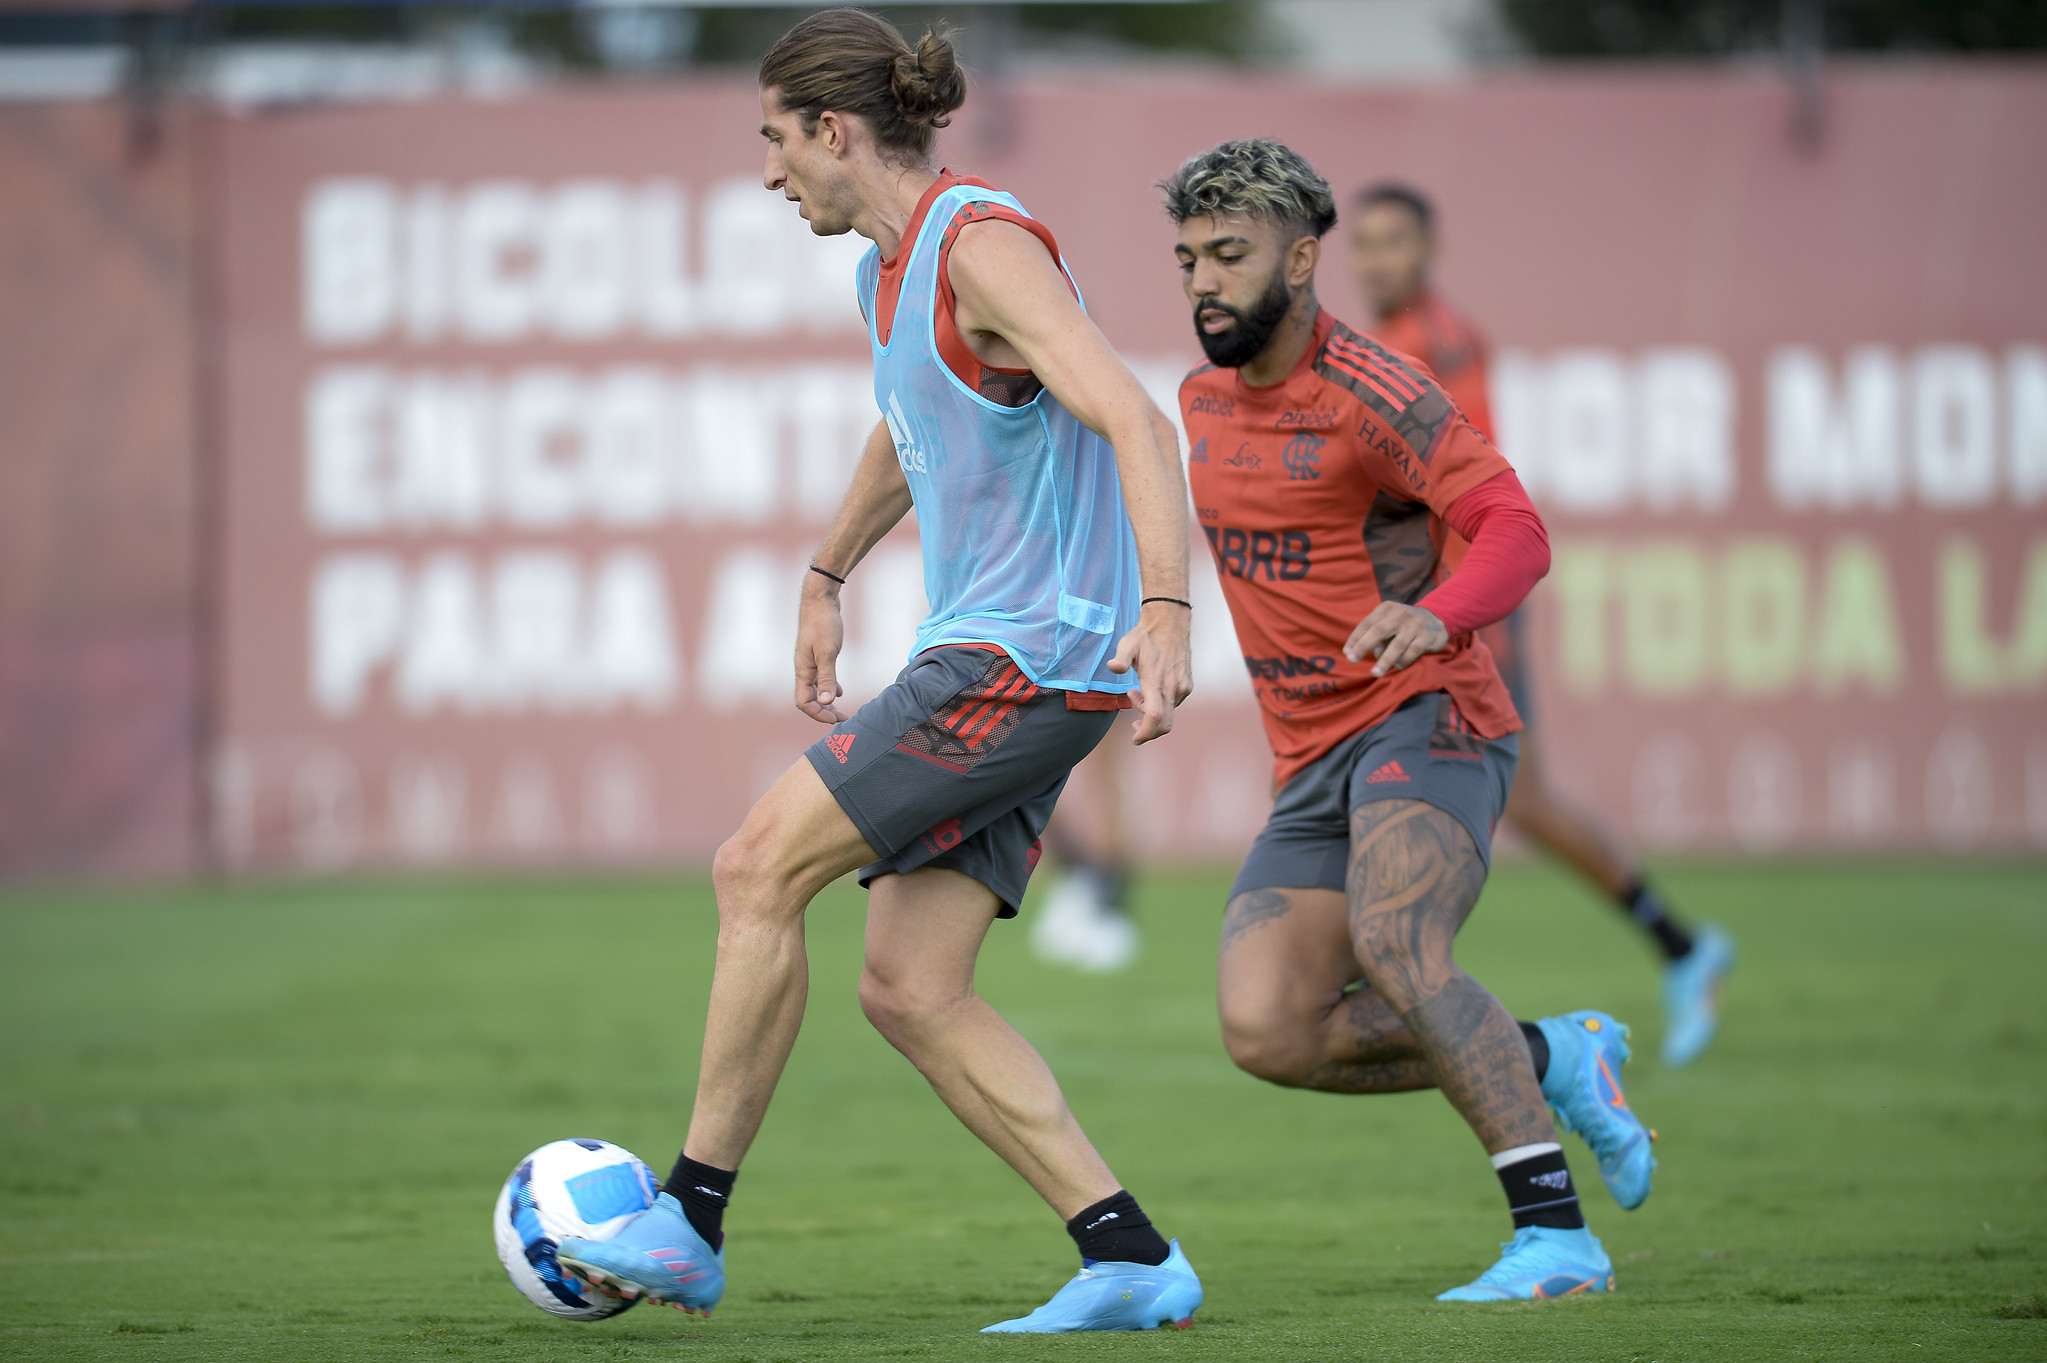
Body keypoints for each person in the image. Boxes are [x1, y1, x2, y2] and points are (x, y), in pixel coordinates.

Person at [556, 10, 1203, 1333]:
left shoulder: (981, 243)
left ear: (834, 130)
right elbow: (911, 427)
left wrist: (1166, 606)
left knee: (754, 864)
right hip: (1018, 662)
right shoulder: (887, 273)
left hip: (1022, 657)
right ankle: (1127, 1251)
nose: (768, 169)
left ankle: (687, 1214)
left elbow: (1132, 413)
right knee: (910, 986)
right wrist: (824, 571)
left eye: (774, 139)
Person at [1165, 139, 1657, 1302]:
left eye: (1228, 255)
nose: (1201, 282)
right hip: (1311, 759)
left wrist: (1437, 616)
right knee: (1271, 1032)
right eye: (1186, 258)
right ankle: (1553, 1053)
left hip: (1432, 719)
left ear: (1300, 256)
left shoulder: (1378, 391)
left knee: (1397, 947)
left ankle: (1556, 1239)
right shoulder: (1192, 401)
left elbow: (1516, 530)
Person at [1349, 183, 1735, 1067]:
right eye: (1363, 243)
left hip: (1451, 612)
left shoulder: (1431, 343)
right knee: (1517, 800)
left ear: (1426, 250)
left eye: (1392, 242)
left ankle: (1392, 966)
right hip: (1432, 607)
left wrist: (1463, 610)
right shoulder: (1406, 342)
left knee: (1443, 787)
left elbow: (1459, 485)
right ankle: (1679, 945)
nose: (1375, 259)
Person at [1030, 716, 1140, 973]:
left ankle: (1106, 905)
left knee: (1102, 776)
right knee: (1032, 777)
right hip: (1045, 679)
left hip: (1103, 680)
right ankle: (1079, 878)